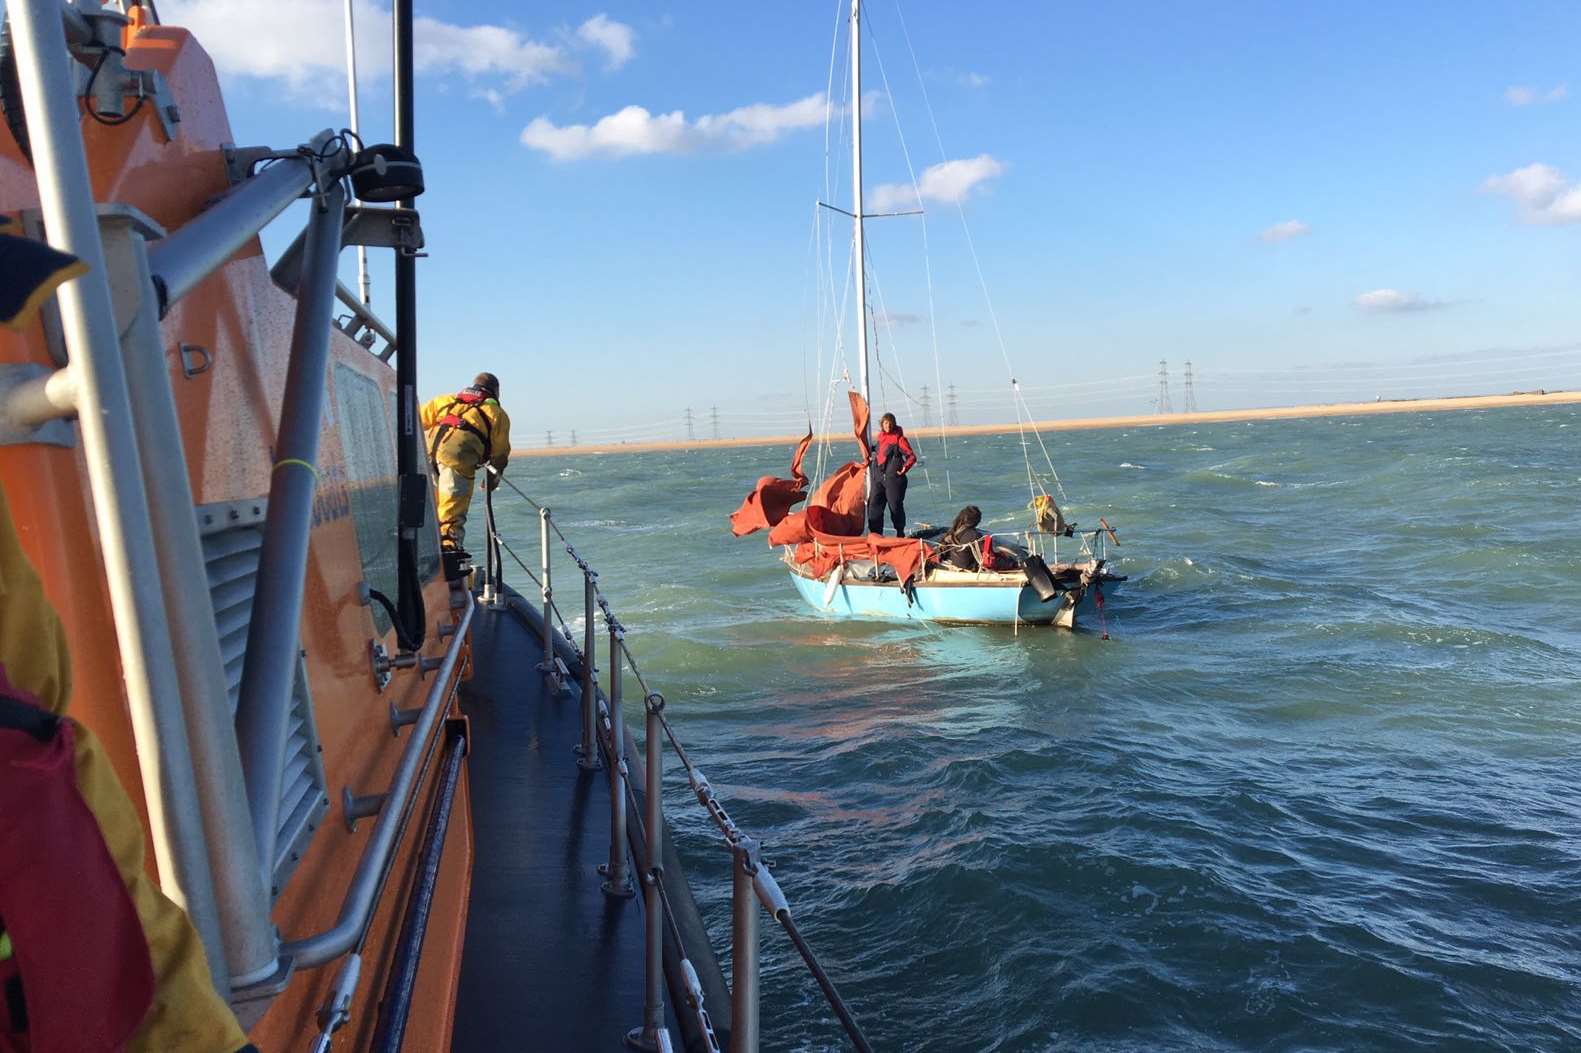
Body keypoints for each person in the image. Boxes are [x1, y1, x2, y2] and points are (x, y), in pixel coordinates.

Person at [420, 372, 512, 555]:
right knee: (452, 508)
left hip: (428, 453)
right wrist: (491, 483)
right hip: (458, 458)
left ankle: (424, 545)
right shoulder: (496, 414)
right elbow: (500, 454)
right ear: (496, 392)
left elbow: (417, 420)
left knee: (432, 503)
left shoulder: (445, 400)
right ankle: (449, 550)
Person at [866, 412, 916, 536]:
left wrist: (905, 468)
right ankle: (876, 535)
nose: (888, 425)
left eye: (890, 423)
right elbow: (878, 451)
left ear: (894, 424)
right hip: (878, 479)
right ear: (882, 424)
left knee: (895, 507)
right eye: (885, 423)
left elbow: (911, 457)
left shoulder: (900, 439)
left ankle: (900, 533)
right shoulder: (880, 438)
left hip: (893, 480)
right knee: (873, 506)